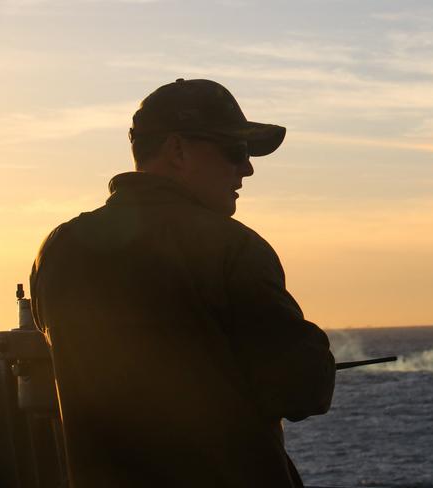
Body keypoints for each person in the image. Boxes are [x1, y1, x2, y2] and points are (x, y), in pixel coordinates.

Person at [29, 78, 336, 487]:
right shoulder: (232, 248)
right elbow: (302, 390)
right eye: (235, 150)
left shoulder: (58, 250)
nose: (246, 167)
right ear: (177, 150)